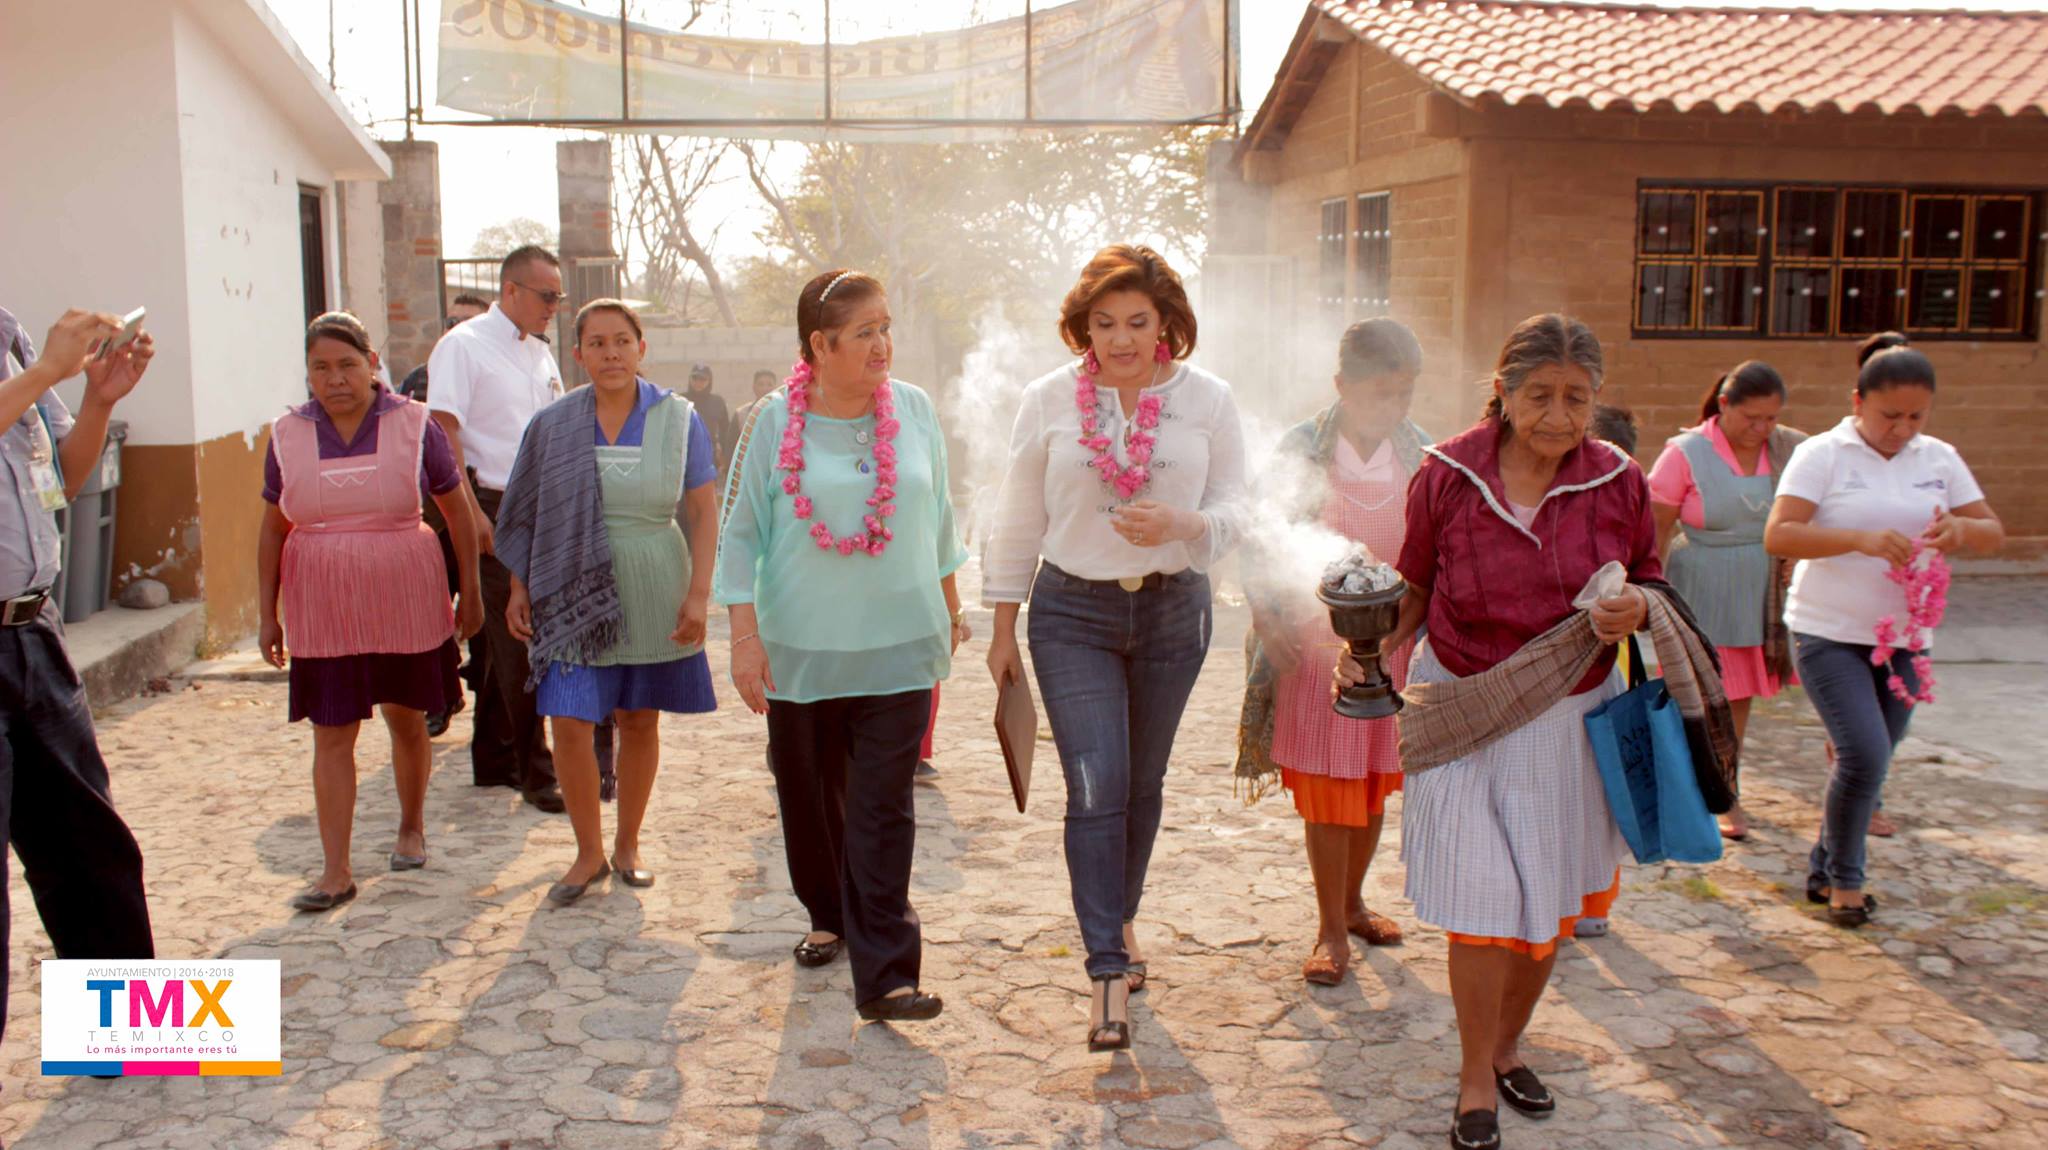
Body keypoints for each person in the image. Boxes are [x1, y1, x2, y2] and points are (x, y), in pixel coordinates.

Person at [1348, 315, 1659, 1150]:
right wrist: (1369, 655)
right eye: (1539, 396)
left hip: (1568, 716)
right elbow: (1415, 583)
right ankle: (1475, 1074)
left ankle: (1510, 1043)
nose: (1558, 416)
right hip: (1460, 706)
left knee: (1545, 907)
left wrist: (1636, 607)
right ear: (1503, 390)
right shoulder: (1448, 474)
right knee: (1484, 905)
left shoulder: (1619, 481)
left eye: (1576, 399)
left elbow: (1653, 581)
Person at [984, 244, 1248, 1051]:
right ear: (1082, 328)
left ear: (1167, 323)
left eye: (1138, 321)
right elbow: (1017, 513)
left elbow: (1245, 509)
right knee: (1095, 784)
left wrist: (1187, 525)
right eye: (1104, 323)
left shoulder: (1208, 400)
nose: (1122, 338)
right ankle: (1105, 968)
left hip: (1175, 613)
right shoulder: (1049, 399)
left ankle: (1121, 918)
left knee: (1142, 783)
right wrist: (1001, 624)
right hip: (1072, 613)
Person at [715, 269, 968, 1023]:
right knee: (811, 800)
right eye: (864, 332)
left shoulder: (915, 409)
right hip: (801, 649)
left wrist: (952, 611)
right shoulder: (772, 420)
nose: (883, 344)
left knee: (882, 810)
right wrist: (743, 639)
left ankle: (886, 974)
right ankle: (827, 912)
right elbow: (740, 534)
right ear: (818, 346)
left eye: (886, 327)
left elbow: (941, 519)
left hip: (899, 647)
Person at [1765, 347, 2004, 928]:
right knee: (1863, 753)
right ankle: (1848, 882)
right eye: (1889, 416)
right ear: (1858, 403)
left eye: (1915, 417)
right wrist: (1857, 539)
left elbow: (1992, 531)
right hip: (1829, 632)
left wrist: (1961, 528)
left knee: (1872, 761)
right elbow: (1780, 535)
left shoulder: (1940, 458)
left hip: (1907, 639)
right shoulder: (1822, 454)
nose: (1902, 429)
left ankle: (1825, 864)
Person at [496, 300, 720, 905]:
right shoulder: (553, 424)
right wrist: (520, 586)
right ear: (578, 355)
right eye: (597, 343)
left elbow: (703, 508)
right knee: (569, 720)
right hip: (569, 586)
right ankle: (586, 852)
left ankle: (628, 845)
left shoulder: (680, 418)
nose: (611, 353)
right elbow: (527, 510)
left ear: (642, 347)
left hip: (655, 580)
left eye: (623, 341)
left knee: (638, 719)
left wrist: (700, 594)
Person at [258, 312, 484, 910]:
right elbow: (271, 529)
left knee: (407, 719)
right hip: (323, 602)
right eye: (320, 368)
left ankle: (412, 825)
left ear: (372, 365)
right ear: (307, 374)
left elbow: (457, 513)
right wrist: (266, 612)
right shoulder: (287, 434)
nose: (335, 379)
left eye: (347, 365)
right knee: (332, 732)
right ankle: (336, 869)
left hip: (404, 594)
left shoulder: (415, 426)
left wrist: (473, 594)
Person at [1237, 318, 1428, 987]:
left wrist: (1405, 629)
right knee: (1328, 791)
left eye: (1403, 395)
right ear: (1342, 385)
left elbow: (1431, 554)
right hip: (1315, 649)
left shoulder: (1422, 456)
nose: (1391, 409)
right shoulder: (1302, 449)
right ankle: (1326, 926)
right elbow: (1257, 536)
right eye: (1378, 393)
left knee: (1373, 787)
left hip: (1392, 650)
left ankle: (1353, 903)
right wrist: (1267, 618)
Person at [0, 305, 157, 1046]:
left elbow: (58, 478)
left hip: (32, 632)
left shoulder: (8, 328)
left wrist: (97, 397)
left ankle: (119, 1040)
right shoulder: (30, 361)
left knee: (89, 850)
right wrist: (43, 375)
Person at [426, 246, 567, 813]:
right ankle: (537, 770)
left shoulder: (539, 354)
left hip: (535, 505)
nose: (554, 306)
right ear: (510, 290)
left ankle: (494, 758)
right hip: (486, 500)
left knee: (500, 643)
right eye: (546, 295)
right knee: (517, 636)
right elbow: (443, 430)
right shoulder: (463, 346)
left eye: (558, 296)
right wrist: (471, 510)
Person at [1647, 363, 1807, 842]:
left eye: (1770, 419)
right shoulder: (1685, 454)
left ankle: (1725, 789)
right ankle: (1680, 786)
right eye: (1751, 418)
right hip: (1700, 587)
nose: (1761, 429)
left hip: (1757, 593)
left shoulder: (1789, 449)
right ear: (1723, 405)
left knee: (1736, 696)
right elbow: (1658, 526)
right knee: (1689, 693)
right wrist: (1651, 589)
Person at [398, 293, 490, 404]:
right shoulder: (417, 378)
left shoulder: (498, 377)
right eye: (452, 322)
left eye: (468, 323)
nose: (457, 329)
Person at [686, 362, 734, 476]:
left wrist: (726, 459)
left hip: (708, 455)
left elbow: (725, 432)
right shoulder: (681, 400)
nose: (698, 382)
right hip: (684, 453)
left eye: (703, 379)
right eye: (695, 378)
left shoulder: (717, 402)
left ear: (709, 381)